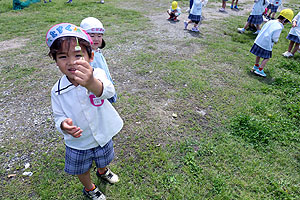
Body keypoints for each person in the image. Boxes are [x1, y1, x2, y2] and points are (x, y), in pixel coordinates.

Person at [46, 23, 123, 200]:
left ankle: (103, 171)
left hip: (102, 132)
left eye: (78, 55)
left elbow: (109, 92)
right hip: (79, 141)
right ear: (56, 61)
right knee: (83, 168)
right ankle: (89, 188)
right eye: (63, 56)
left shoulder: (98, 74)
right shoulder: (56, 90)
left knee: (104, 157)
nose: (72, 62)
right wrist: (63, 125)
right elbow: (58, 116)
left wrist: (91, 83)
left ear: (91, 57)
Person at [80, 17, 117, 103]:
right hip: (96, 88)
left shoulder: (97, 50)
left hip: (105, 83)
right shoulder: (85, 55)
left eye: (99, 36)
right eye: (92, 35)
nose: (96, 39)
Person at [249, 9, 294, 77]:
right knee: (267, 57)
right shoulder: (279, 27)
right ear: (284, 20)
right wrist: (276, 41)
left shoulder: (271, 21)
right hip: (266, 43)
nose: (286, 24)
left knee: (258, 54)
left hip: (259, 40)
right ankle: (260, 70)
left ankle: (256, 65)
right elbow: (275, 37)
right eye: (287, 22)